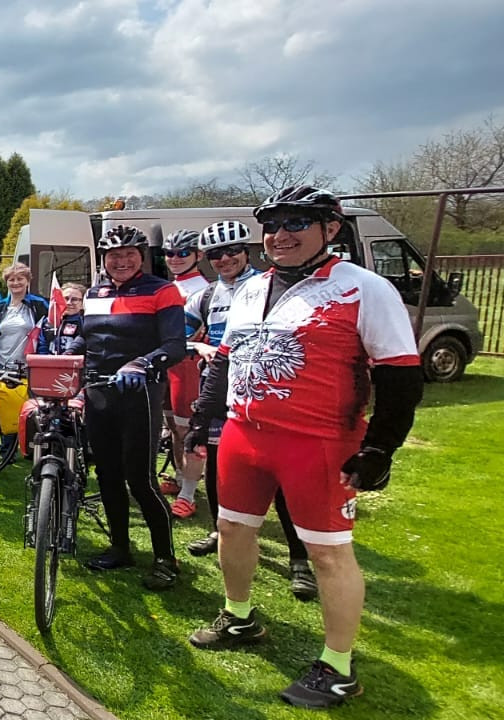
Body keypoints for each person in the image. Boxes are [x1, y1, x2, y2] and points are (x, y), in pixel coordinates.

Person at [186, 187, 422, 709]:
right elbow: (226, 358)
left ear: (330, 229)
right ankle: (239, 617)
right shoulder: (251, 287)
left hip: (318, 442)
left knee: (328, 553)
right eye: (272, 225)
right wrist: (203, 417)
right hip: (245, 433)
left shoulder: (363, 287)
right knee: (231, 528)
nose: (280, 234)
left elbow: (401, 375)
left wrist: (380, 448)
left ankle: (338, 667)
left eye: (296, 222)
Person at [179, 221, 317, 599]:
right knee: (219, 467)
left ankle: (299, 558)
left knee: (280, 478)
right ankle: (220, 531)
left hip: (267, 392)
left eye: (232, 251)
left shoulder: (274, 287)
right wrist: (197, 347)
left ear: (247, 251)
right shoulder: (206, 296)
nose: (224, 259)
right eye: (215, 254)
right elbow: (173, 334)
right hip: (219, 389)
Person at [73, 225, 185, 589]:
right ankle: (120, 547)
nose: (121, 262)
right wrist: (64, 356)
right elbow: (85, 339)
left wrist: (142, 363)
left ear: (142, 257)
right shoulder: (95, 293)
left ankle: (165, 557)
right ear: (104, 260)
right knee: (107, 475)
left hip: (140, 392)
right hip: (98, 391)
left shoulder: (162, 290)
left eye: (129, 255)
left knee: (140, 479)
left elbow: (176, 345)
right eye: (114, 256)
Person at [160, 229, 211, 517]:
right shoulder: (170, 286)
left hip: (188, 365)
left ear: (198, 255)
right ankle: (180, 478)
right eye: (169, 253)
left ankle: (189, 494)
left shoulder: (203, 289)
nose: (175, 259)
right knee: (172, 426)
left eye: (183, 253)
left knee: (187, 429)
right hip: (167, 364)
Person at [0, 262, 47, 455]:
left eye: (20, 279)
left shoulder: (38, 304)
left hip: (27, 365)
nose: (16, 283)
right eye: (11, 279)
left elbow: (47, 331)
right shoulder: (0, 306)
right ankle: (7, 451)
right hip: (1, 364)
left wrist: (42, 359)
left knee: (31, 408)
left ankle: (31, 448)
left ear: (28, 281)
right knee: (5, 407)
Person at [45, 283, 87, 355]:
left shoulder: (86, 323)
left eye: (74, 299)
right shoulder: (49, 321)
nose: (69, 303)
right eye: (65, 298)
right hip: (48, 360)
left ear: (82, 303)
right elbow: (41, 345)